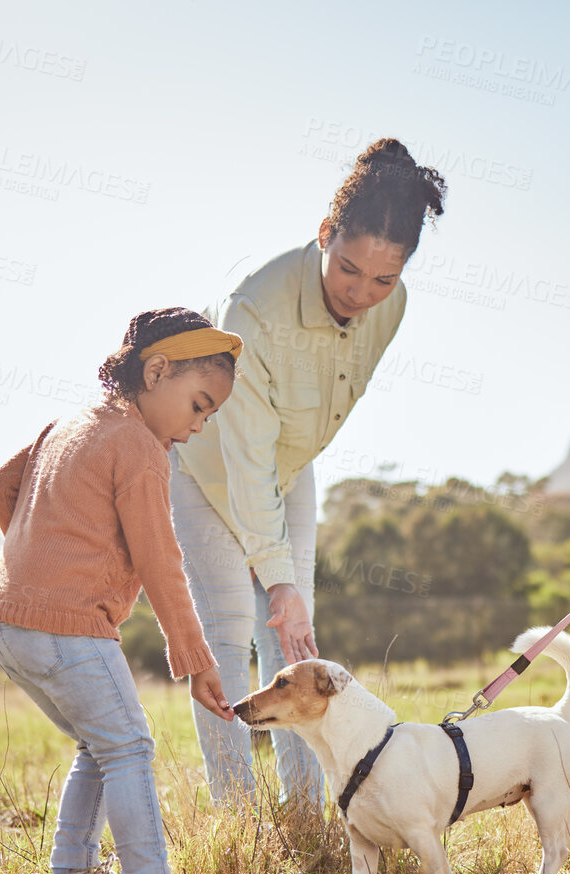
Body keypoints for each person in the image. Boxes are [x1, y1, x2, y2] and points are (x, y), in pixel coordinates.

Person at [172, 139, 447, 810]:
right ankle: (238, 817)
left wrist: (288, 589)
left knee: (294, 635)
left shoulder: (391, 303)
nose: (361, 294)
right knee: (230, 636)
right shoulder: (253, 311)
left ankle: (306, 811)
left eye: (382, 280)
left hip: (289, 467)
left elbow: (304, 429)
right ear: (324, 234)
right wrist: (276, 575)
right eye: (348, 269)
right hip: (206, 468)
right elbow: (243, 461)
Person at [0, 307, 240, 874]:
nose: (200, 425)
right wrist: (197, 659)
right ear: (156, 371)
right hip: (65, 627)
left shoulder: (69, 425)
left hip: (5, 623)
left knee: (101, 742)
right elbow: (160, 561)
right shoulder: (140, 449)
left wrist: (37, 563)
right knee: (129, 746)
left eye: (209, 415)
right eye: (199, 405)